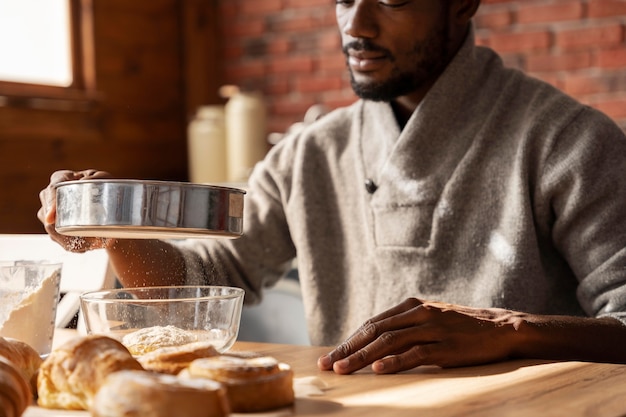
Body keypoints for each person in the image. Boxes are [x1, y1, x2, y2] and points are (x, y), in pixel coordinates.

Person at [39, 0, 626, 375]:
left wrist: (511, 331)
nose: (357, 25)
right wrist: (115, 229)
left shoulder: (570, 141)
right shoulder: (310, 151)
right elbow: (205, 284)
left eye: (391, 1)